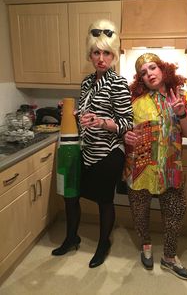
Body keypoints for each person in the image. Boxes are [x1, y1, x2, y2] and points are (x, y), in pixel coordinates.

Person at [52, 19, 133, 268]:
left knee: (103, 201)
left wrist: (102, 122)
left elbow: (127, 122)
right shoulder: (87, 82)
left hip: (108, 153)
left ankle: (103, 243)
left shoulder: (118, 83)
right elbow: (87, 113)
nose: (101, 58)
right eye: (96, 52)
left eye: (106, 52)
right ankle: (71, 237)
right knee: (71, 196)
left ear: (114, 55)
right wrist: (74, 114)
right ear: (90, 55)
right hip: (85, 150)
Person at [123, 53, 187, 280]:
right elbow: (124, 130)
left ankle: (169, 256)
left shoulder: (181, 97)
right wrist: (125, 136)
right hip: (140, 168)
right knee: (139, 212)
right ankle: (146, 244)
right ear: (140, 79)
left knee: (175, 213)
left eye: (152, 68)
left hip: (170, 169)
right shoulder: (135, 101)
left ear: (163, 69)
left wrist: (181, 114)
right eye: (143, 73)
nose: (149, 74)